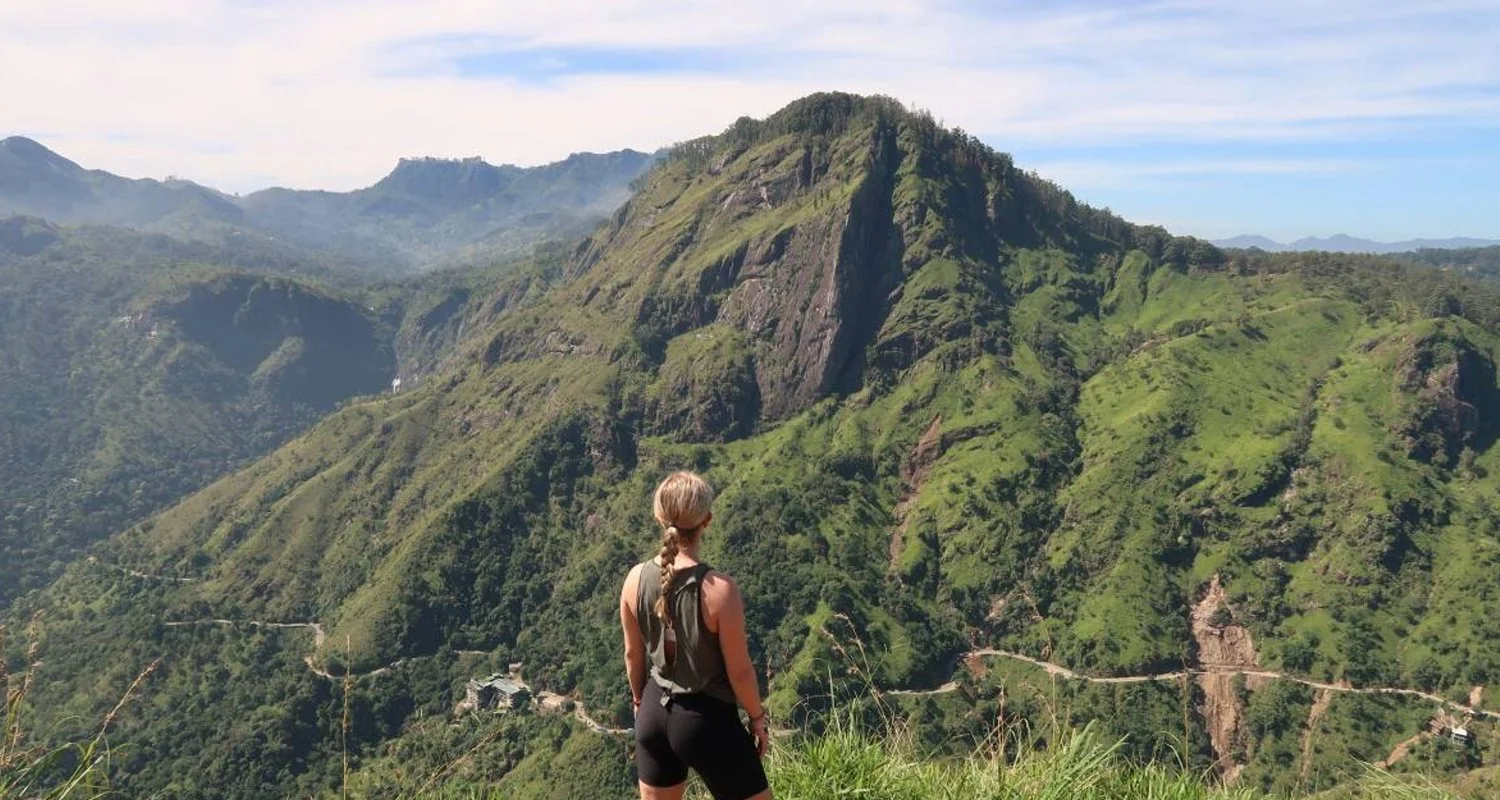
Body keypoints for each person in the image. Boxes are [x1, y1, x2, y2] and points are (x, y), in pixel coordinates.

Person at [620, 471, 772, 800]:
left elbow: (633, 655)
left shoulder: (634, 579)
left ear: (659, 517)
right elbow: (740, 670)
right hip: (706, 721)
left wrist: (637, 701)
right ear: (707, 520)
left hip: (652, 713)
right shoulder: (719, 590)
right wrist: (757, 718)